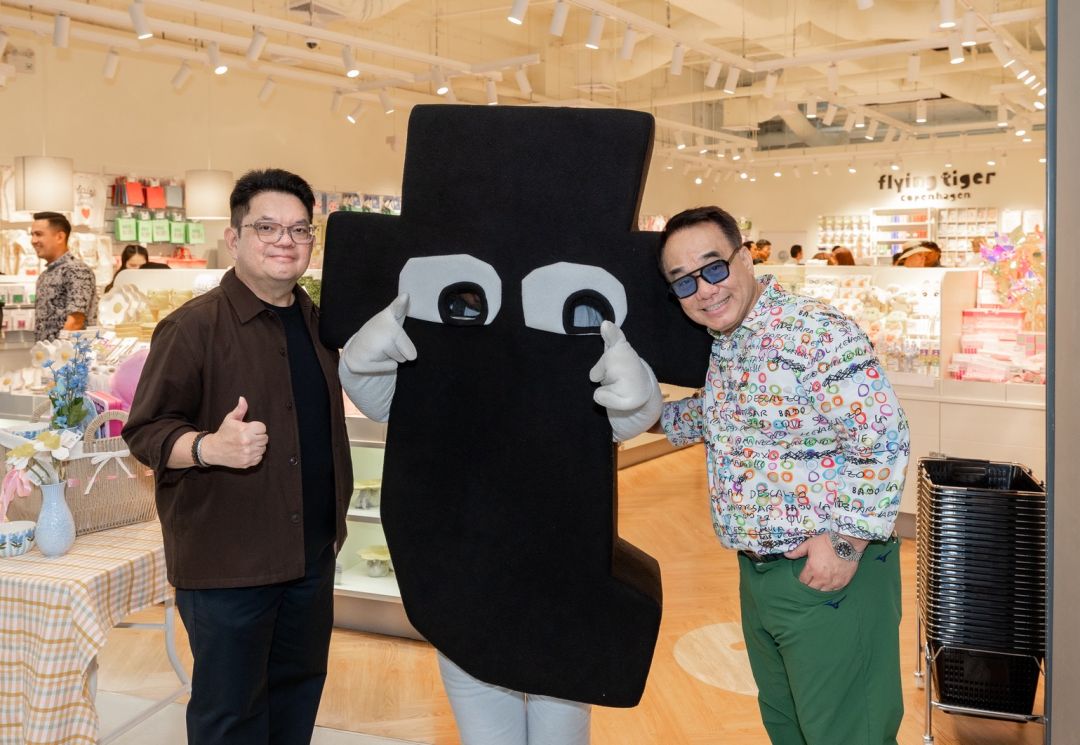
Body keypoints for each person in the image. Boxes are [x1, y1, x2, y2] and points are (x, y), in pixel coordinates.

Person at [653, 206, 909, 745]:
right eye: (684, 281)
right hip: (761, 575)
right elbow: (725, 416)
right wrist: (643, 415)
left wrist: (845, 544)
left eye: (714, 268)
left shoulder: (814, 330)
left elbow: (882, 438)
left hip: (831, 574)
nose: (704, 290)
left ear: (746, 258)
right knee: (788, 728)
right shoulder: (730, 342)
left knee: (848, 733)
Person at [124, 169, 353, 745]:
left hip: (310, 556)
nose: (285, 241)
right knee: (231, 717)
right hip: (229, 564)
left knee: (296, 698)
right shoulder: (193, 327)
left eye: (299, 229)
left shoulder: (320, 325)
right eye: (266, 227)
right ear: (233, 238)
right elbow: (146, 431)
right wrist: (209, 447)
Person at [30, 211, 98, 341]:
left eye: (38, 234)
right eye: (32, 235)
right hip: (48, 352)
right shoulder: (46, 274)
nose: (33, 241)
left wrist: (58, 351)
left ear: (60, 237)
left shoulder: (76, 270)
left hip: (68, 352)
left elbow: (76, 321)